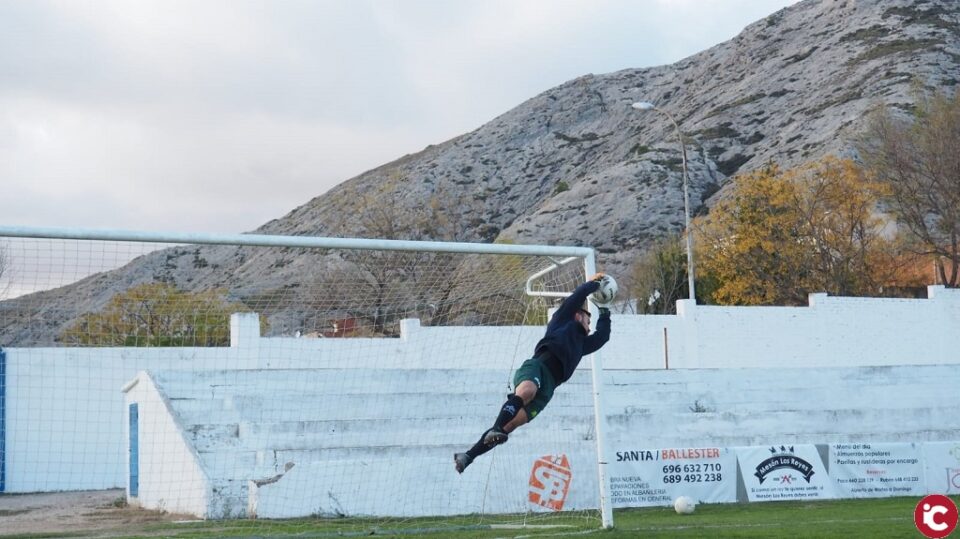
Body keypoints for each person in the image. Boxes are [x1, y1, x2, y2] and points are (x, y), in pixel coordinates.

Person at [454, 273, 613, 473]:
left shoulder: (582, 345)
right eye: (589, 321)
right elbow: (576, 297)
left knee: (510, 426)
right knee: (527, 391)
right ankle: (495, 427)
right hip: (538, 366)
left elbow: (603, 336)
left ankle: (468, 456)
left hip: (550, 388)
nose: (590, 328)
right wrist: (595, 284)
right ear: (578, 315)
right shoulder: (561, 321)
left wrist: (605, 310)